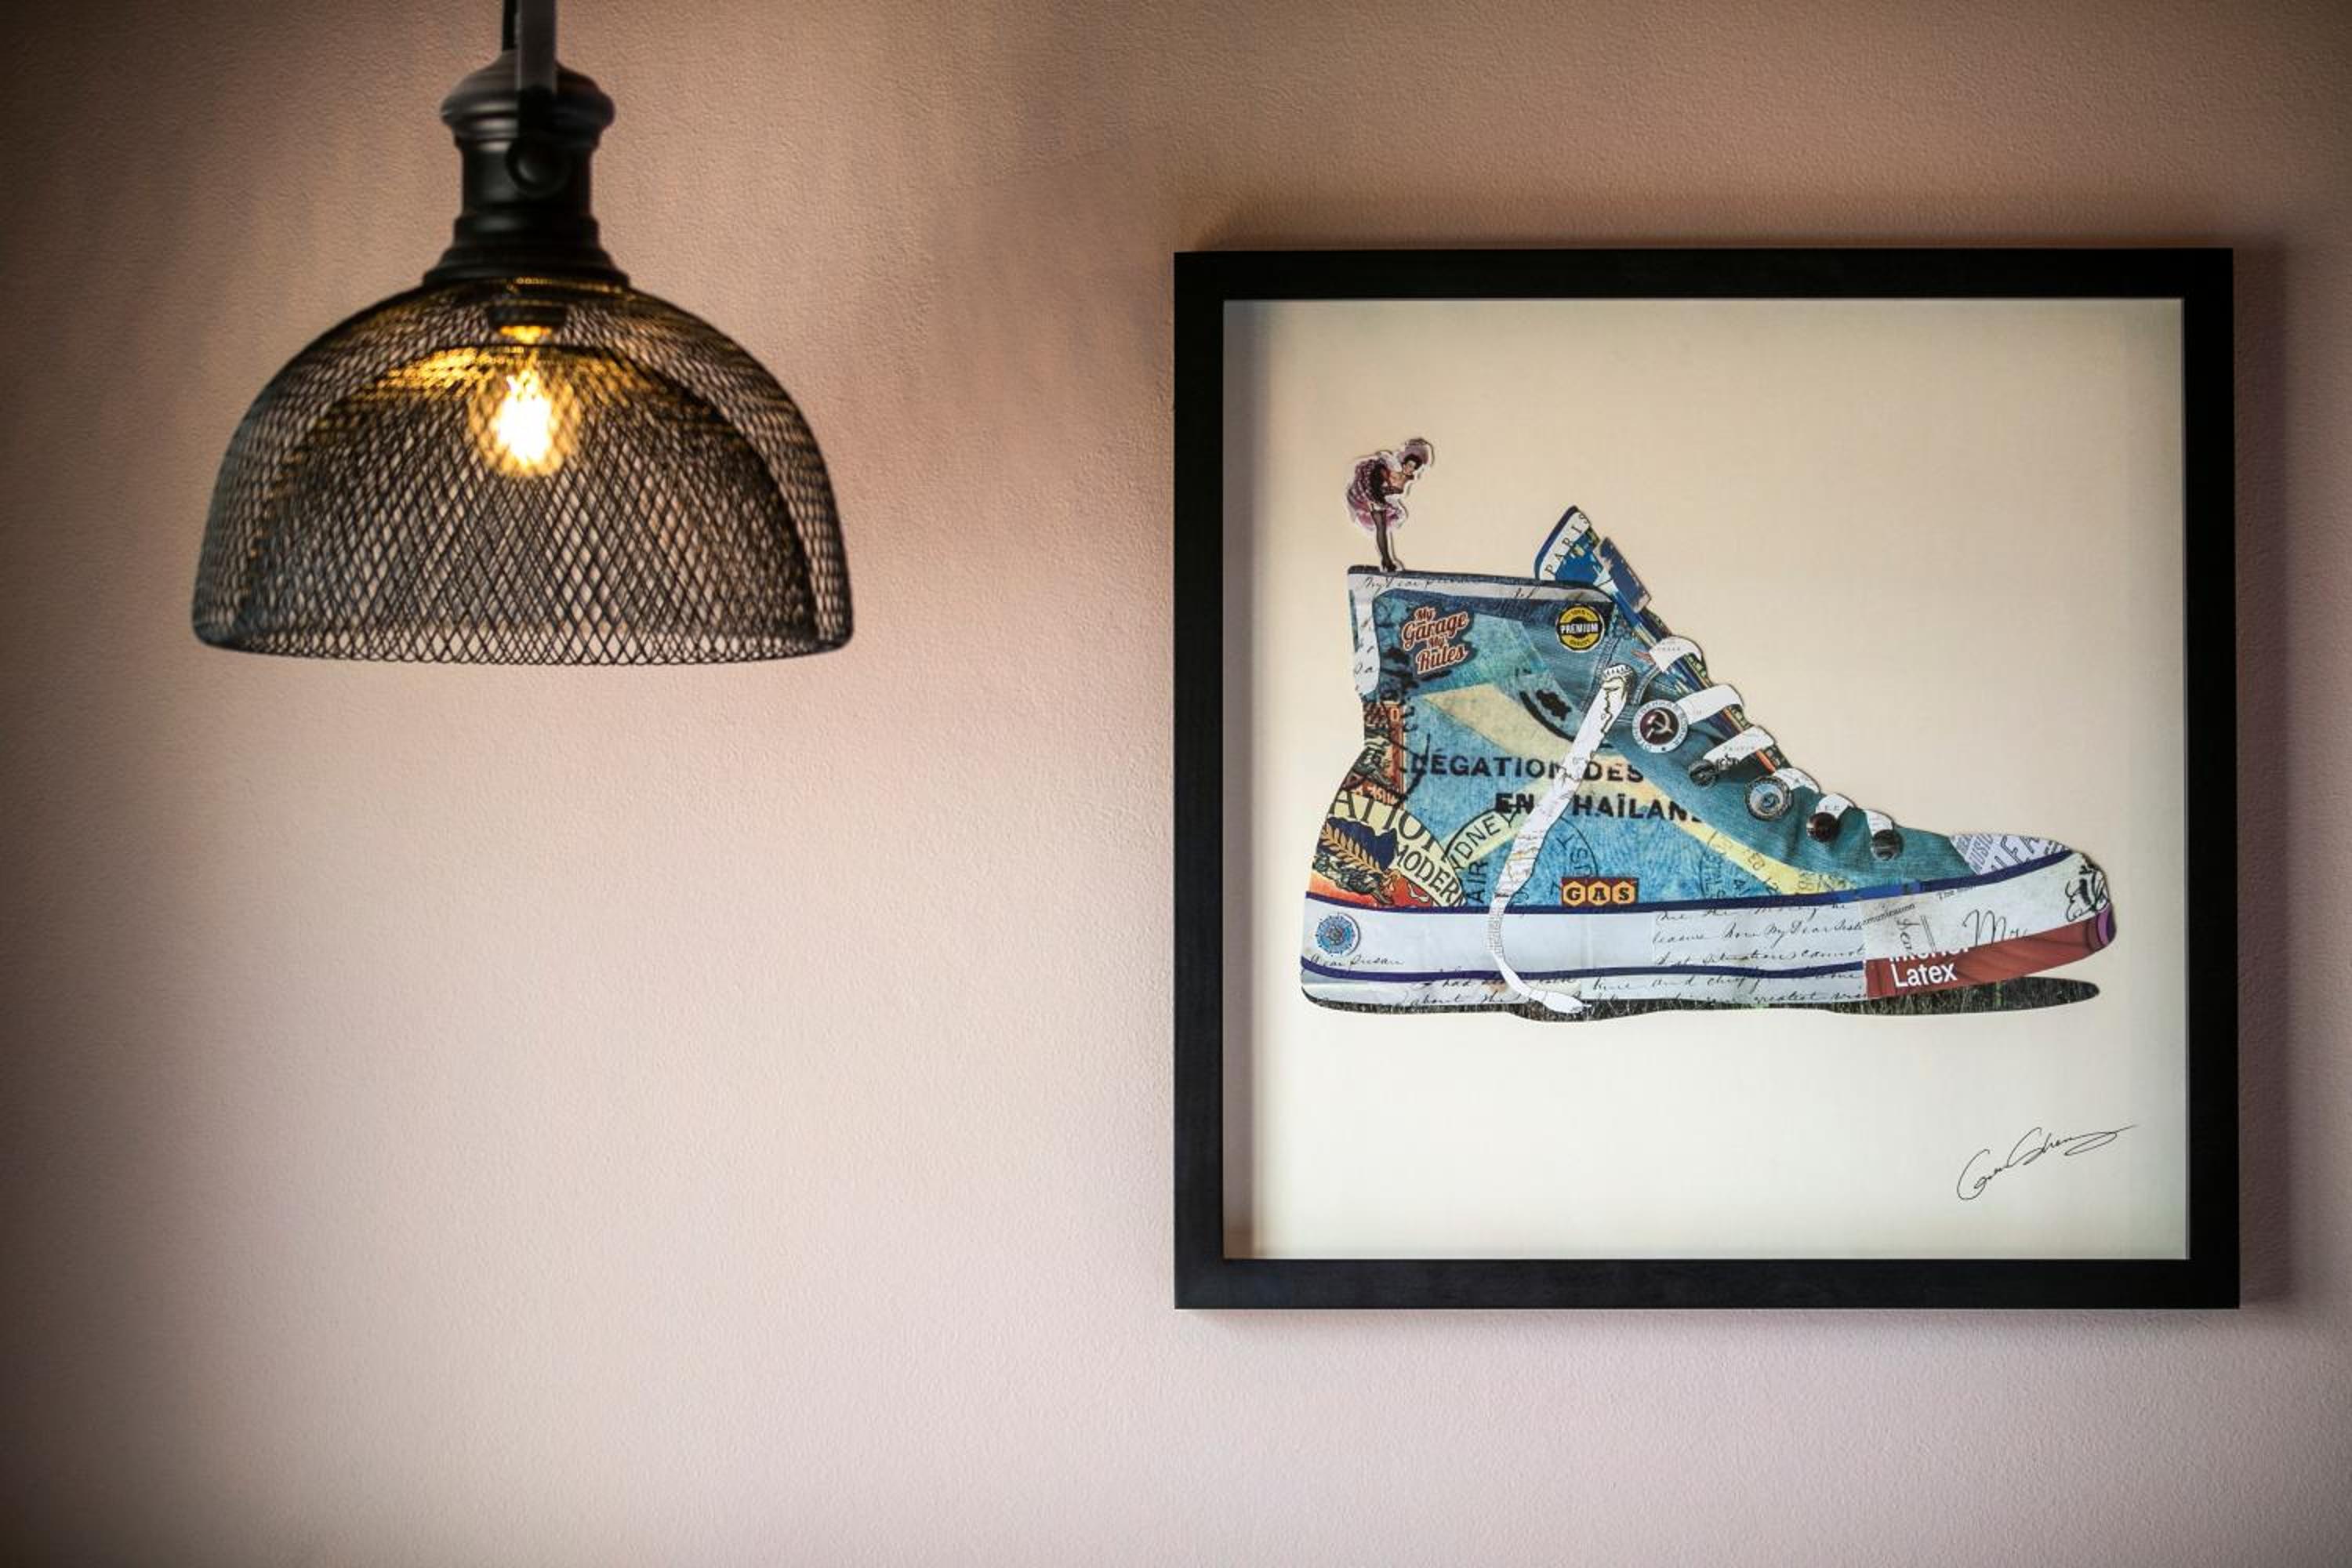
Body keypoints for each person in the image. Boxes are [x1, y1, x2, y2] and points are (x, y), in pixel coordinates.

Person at [1345, 438, 1434, 571]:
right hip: (1373, 495)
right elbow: (1379, 474)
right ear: (1404, 463)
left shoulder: (1405, 482)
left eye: (1412, 467)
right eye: (1408, 465)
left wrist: (1386, 489)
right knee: (1381, 527)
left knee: (1382, 528)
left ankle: (1386, 560)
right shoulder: (1393, 471)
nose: (1408, 468)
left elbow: (1391, 490)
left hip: (1381, 499)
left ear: (1415, 470)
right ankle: (1386, 561)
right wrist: (1383, 480)